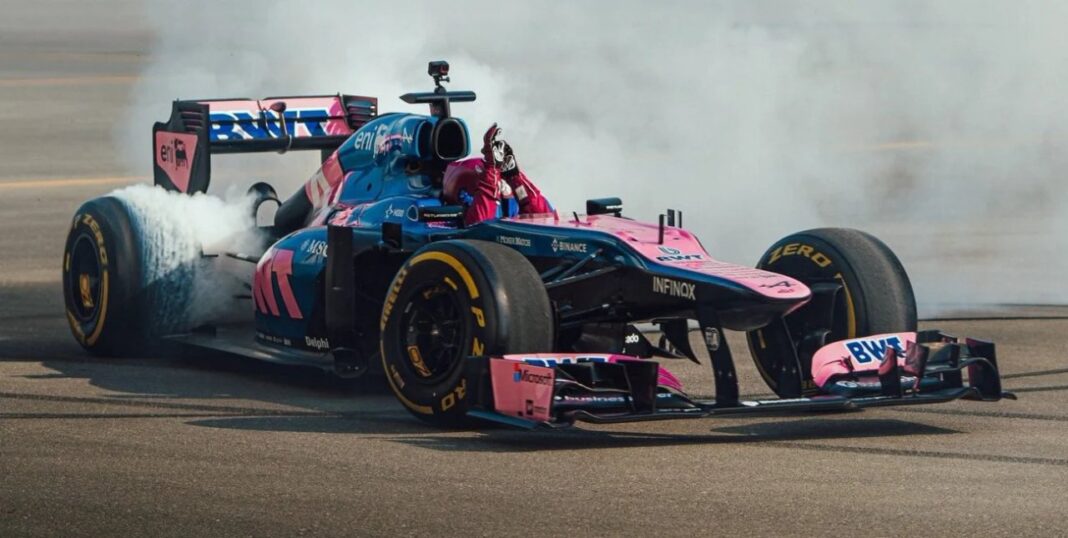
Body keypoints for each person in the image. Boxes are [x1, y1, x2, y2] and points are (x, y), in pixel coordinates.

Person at [442, 124, 552, 226]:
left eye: (499, 179)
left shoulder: (513, 196)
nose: (501, 187)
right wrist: (491, 173)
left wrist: (513, 177)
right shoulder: (442, 223)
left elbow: (547, 223)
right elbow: (480, 230)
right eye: (496, 182)